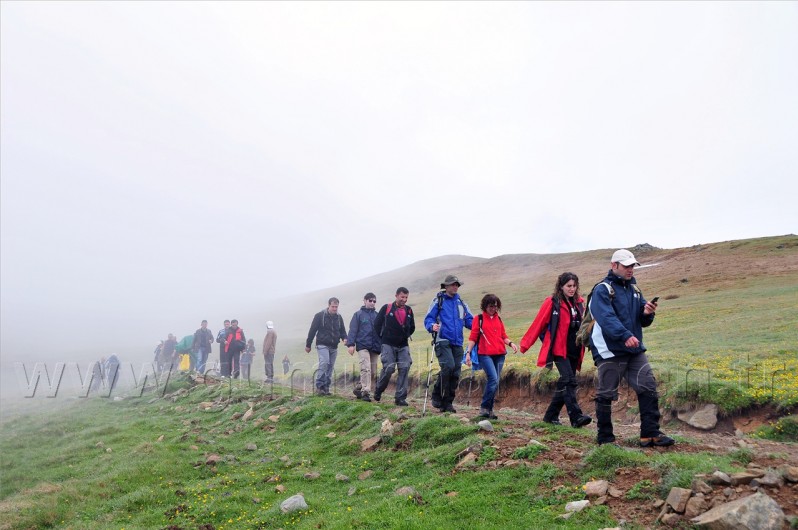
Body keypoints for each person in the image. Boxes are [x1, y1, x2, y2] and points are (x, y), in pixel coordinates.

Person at [588, 249, 674, 447]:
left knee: (648, 386)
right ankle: (605, 439)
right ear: (614, 265)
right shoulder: (602, 289)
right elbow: (606, 318)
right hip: (610, 350)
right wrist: (625, 335)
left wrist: (647, 312)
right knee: (606, 393)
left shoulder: (634, 290)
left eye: (632, 265)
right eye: (626, 266)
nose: (630, 269)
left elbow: (642, 322)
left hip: (633, 348)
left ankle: (650, 433)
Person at [520, 273, 592, 428]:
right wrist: (525, 345)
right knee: (569, 380)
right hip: (559, 350)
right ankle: (576, 417)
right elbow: (538, 323)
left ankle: (550, 416)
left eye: (574, 286)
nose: (572, 289)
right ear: (561, 286)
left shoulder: (579, 303)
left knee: (564, 383)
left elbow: (585, 326)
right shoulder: (552, 302)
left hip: (575, 350)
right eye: (568, 286)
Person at [424, 275, 474, 413]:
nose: (455, 286)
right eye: (452, 284)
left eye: (457, 284)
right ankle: (437, 395)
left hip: (457, 341)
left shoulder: (461, 303)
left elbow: (469, 321)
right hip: (442, 340)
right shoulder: (438, 301)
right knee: (448, 367)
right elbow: (428, 318)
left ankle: (447, 403)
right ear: (446, 286)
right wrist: (431, 326)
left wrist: (479, 327)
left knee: (456, 372)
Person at [465, 294, 518, 419]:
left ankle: (489, 410)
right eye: (491, 306)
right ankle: (484, 407)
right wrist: (468, 353)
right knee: (493, 379)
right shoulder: (479, 319)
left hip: (500, 354)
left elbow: (503, 336)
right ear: (485, 306)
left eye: (495, 306)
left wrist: (511, 343)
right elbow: (473, 337)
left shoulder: (498, 319)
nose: (493, 309)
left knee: (495, 382)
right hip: (485, 354)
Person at [374, 287, 416, 406]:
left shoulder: (409, 310)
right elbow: (376, 324)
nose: (404, 299)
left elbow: (412, 326)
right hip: (388, 343)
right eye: (402, 297)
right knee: (389, 369)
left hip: (403, 344)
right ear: (396, 296)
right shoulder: (386, 308)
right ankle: (379, 389)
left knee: (405, 367)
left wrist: (405, 335)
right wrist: (383, 338)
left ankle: (400, 398)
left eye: (406, 297)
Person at [305, 297, 347, 396]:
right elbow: (312, 330)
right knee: (324, 362)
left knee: (330, 367)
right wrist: (308, 344)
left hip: (334, 346)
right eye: (333, 306)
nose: (335, 309)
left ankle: (326, 387)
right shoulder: (320, 316)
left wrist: (345, 338)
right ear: (328, 306)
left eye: (336, 307)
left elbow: (342, 331)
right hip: (322, 344)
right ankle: (319, 386)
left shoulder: (339, 317)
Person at [346, 293, 382, 402]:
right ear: (365, 301)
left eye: (374, 301)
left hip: (375, 347)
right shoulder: (358, 315)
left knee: (373, 371)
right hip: (362, 346)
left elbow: (382, 331)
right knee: (365, 368)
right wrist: (351, 344)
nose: (372, 303)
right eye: (370, 300)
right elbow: (353, 330)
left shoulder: (377, 315)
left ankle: (358, 388)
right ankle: (366, 392)